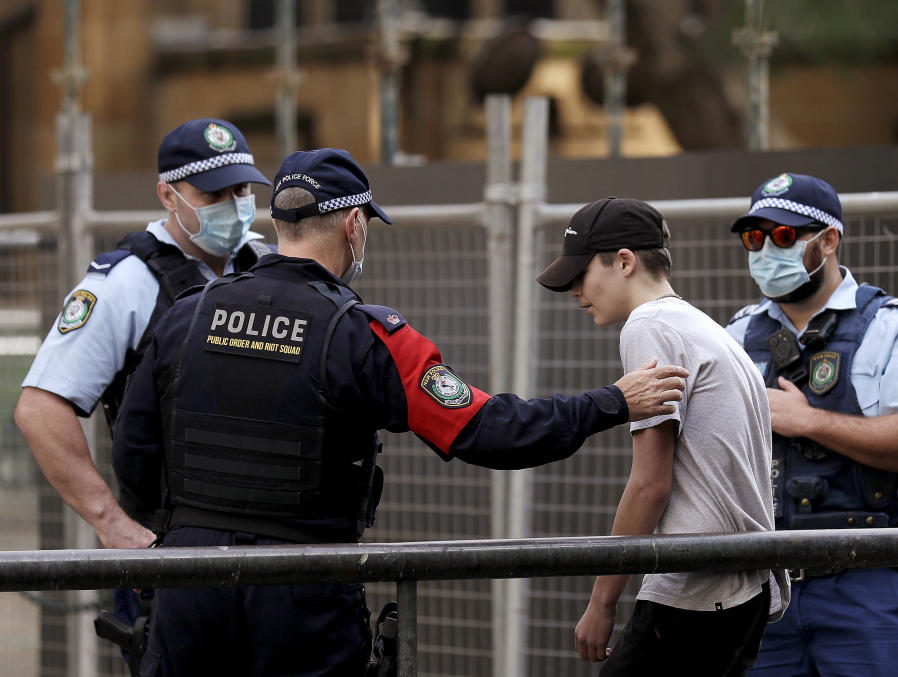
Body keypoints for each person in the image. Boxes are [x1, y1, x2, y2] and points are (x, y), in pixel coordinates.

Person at [110, 149, 691, 676]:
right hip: (302, 592)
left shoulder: (186, 316)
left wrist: (180, 537)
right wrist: (612, 401)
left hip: (188, 586)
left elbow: (133, 452)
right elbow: (488, 431)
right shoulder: (363, 335)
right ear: (354, 225)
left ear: (279, 224)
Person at [14, 118, 274, 656]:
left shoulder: (269, 266)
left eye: (242, 190)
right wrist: (115, 528)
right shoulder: (125, 284)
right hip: (169, 551)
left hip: (271, 551)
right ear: (167, 194)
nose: (234, 205)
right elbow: (39, 408)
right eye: (215, 193)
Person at [537, 197, 790, 677]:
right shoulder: (706, 329)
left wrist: (601, 601)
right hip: (744, 586)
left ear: (625, 261)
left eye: (580, 273)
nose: (573, 290)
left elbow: (650, 483)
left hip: (695, 589)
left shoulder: (649, 325)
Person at [724, 172, 898, 676]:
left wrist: (809, 421)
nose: (765, 249)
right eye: (754, 237)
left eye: (784, 236)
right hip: (763, 586)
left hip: (867, 579)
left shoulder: (894, 325)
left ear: (828, 240)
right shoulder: (734, 337)